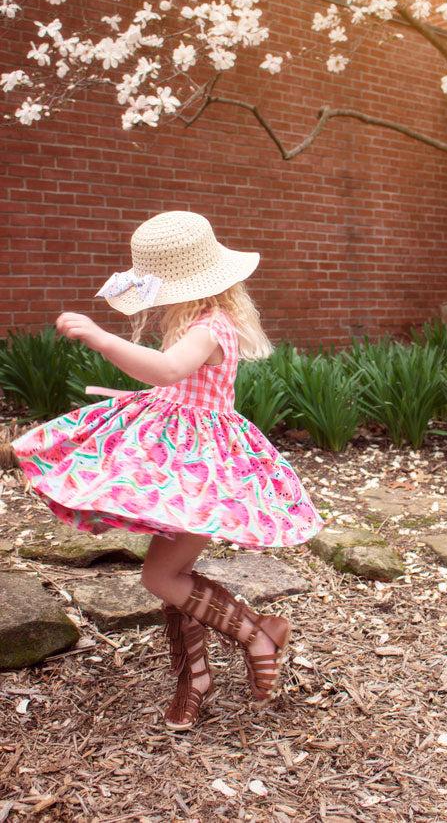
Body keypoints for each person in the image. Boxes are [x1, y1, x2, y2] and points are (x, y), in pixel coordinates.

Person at [12, 210, 323, 730]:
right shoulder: (195, 321)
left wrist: (100, 338)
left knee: (160, 575)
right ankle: (195, 676)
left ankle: (256, 636)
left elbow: (169, 370)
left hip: (201, 466)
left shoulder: (210, 327)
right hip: (176, 459)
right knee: (170, 574)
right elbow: (172, 384)